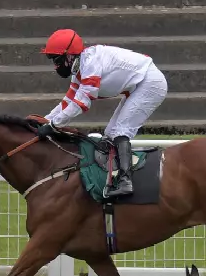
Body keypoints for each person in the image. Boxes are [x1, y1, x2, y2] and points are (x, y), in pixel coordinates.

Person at [35, 28, 169, 200]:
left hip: (150, 83)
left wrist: (53, 125)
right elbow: (67, 102)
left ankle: (125, 182)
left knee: (120, 132)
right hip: (140, 85)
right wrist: (44, 120)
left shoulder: (91, 65)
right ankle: (115, 178)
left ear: (70, 55)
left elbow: (81, 104)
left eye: (57, 59)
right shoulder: (81, 69)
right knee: (109, 135)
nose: (55, 65)